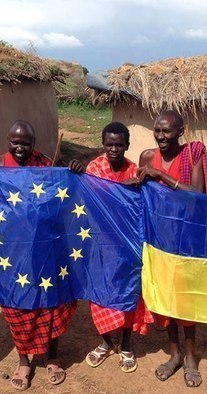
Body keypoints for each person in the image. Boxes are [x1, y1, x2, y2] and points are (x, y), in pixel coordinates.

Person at [0, 120, 76, 390]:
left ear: (33, 144)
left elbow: (61, 199)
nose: (20, 148)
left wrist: (69, 172)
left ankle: (52, 357)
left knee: (51, 300)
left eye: (26, 143)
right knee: (17, 303)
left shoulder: (45, 164)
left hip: (44, 248)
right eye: (15, 142)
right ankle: (24, 361)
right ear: (8, 140)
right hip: (11, 251)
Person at [68, 122, 154, 373]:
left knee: (129, 293)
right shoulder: (93, 169)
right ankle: (105, 342)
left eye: (119, 145)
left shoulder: (135, 171)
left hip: (127, 245)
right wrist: (76, 175)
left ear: (127, 145)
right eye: (109, 144)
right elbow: (86, 199)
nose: (114, 149)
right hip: (98, 244)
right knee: (100, 295)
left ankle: (126, 344)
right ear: (103, 144)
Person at [137, 110, 207, 387]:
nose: (160, 136)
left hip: (186, 240)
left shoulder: (193, 155)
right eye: (157, 130)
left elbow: (197, 194)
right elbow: (139, 193)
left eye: (167, 131)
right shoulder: (147, 157)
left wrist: (160, 174)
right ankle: (175, 354)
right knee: (165, 297)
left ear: (180, 132)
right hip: (158, 240)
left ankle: (191, 357)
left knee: (186, 300)